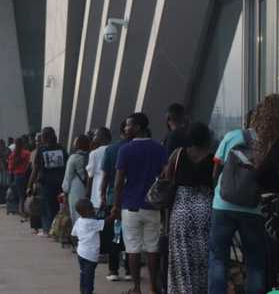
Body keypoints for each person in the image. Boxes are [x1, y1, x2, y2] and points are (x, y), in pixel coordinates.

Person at [208, 110, 267, 294]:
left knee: (218, 257)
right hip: (253, 208)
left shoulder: (233, 136)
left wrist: (219, 190)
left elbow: (216, 170)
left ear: (247, 122)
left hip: (223, 205)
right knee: (255, 260)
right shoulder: (268, 143)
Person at [110, 113, 167, 294]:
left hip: (131, 205)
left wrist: (116, 206)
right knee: (152, 247)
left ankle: (136, 288)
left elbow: (119, 182)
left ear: (138, 127)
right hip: (152, 206)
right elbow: (165, 176)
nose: (125, 129)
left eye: (128, 126)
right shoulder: (159, 148)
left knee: (132, 248)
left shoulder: (125, 150)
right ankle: (153, 287)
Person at [167, 122, 214, 293]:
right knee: (203, 253)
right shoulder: (213, 156)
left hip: (182, 208)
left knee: (181, 254)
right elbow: (216, 182)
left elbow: (167, 176)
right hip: (205, 207)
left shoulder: (178, 153)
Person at [252, 92, 279, 291]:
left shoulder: (274, 147)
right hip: (275, 212)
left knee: (275, 267)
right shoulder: (278, 147)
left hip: (273, 214)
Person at [100, 121, 131, 281]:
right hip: (133, 199)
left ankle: (113, 270)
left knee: (115, 234)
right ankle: (129, 269)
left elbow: (105, 176)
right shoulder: (137, 148)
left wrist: (102, 195)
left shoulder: (111, 149)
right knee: (131, 235)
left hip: (114, 199)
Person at [28, 127, 68, 236]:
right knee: (59, 207)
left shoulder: (41, 150)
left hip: (46, 184)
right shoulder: (61, 149)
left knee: (47, 207)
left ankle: (49, 229)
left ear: (44, 137)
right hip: (60, 183)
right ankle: (58, 229)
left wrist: (29, 185)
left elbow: (36, 170)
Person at [71, 199, 105, 294]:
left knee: (83, 273)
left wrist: (77, 245)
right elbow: (106, 222)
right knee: (89, 276)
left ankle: (83, 290)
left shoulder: (79, 221)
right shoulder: (92, 223)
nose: (94, 211)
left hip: (81, 253)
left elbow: (73, 235)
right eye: (92, 209)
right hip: (90, 255)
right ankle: (88, 291)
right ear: (87, 211)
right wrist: (114, 215)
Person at [62, 135, 90, 223]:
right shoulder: (90, 155)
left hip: (76, 189)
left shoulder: (73, 157)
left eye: (75, 142)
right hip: (88, 187)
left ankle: (78, 234)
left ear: (79, 144)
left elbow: (68, 177)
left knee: (76, 212)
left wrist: (65, 192)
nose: (73, 144)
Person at [86, 128, 111, 211]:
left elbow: (90, 176)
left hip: (97, 193)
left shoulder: (94, 153)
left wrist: (87, 195)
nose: (93, 137)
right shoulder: (114, 150)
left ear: (101, 137)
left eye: (95, 135)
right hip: (110, 192)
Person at [8, 137, 31, 218]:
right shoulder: (27, 153)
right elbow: (30, 163)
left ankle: (21, 210)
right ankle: (23, 211)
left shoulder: (12, 155)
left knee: (21, 195)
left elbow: (10, 168)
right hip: (27, 175)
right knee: (25, 194)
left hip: (17, 176)